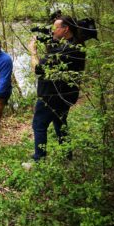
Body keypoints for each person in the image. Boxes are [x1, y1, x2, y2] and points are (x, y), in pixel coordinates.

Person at [28, 15, 86, 161]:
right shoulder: (77, 44)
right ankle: (67, 155)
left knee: (39, 124)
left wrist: (33, 52)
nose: (52, 31)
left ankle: (39, 160)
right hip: (66, 95)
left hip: (52, 96)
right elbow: (53, 44)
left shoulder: (64, 50)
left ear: (66, 29)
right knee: (60, 123)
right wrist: (48, 38)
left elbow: (38, 69)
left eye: (55, 28)